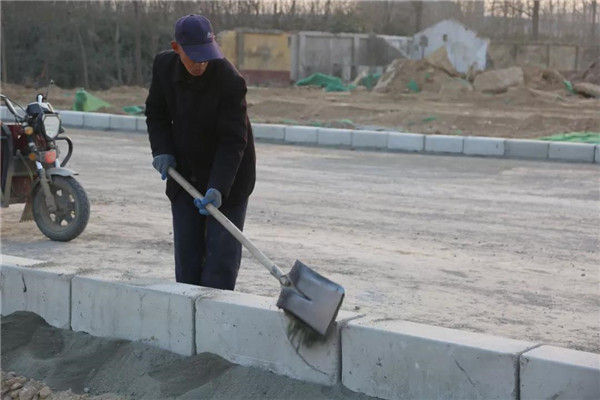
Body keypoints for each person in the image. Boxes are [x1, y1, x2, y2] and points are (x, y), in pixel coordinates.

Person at [145, 14, 256, 290]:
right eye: (194, 56)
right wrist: (162, 149)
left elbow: (233, 140)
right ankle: (187, 314)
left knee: (221, 264)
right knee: (188, 262)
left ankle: (217, 313)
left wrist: (218, 187)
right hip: (185, 173)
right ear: (176, 48)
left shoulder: (230, 80)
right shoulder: (164, 68)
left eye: (206, 55)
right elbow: (156, 113)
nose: (201, 63)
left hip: (229, 176)